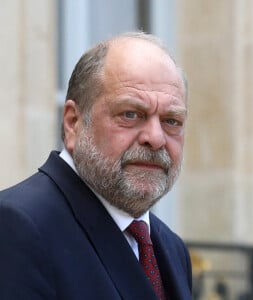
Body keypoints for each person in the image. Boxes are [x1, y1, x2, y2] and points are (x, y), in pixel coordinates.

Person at [0, 32, 192, 300]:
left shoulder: (171, 247)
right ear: (73, 123)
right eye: (131, 114)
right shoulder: (16, 226)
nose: (156, 138)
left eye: (171, 120)